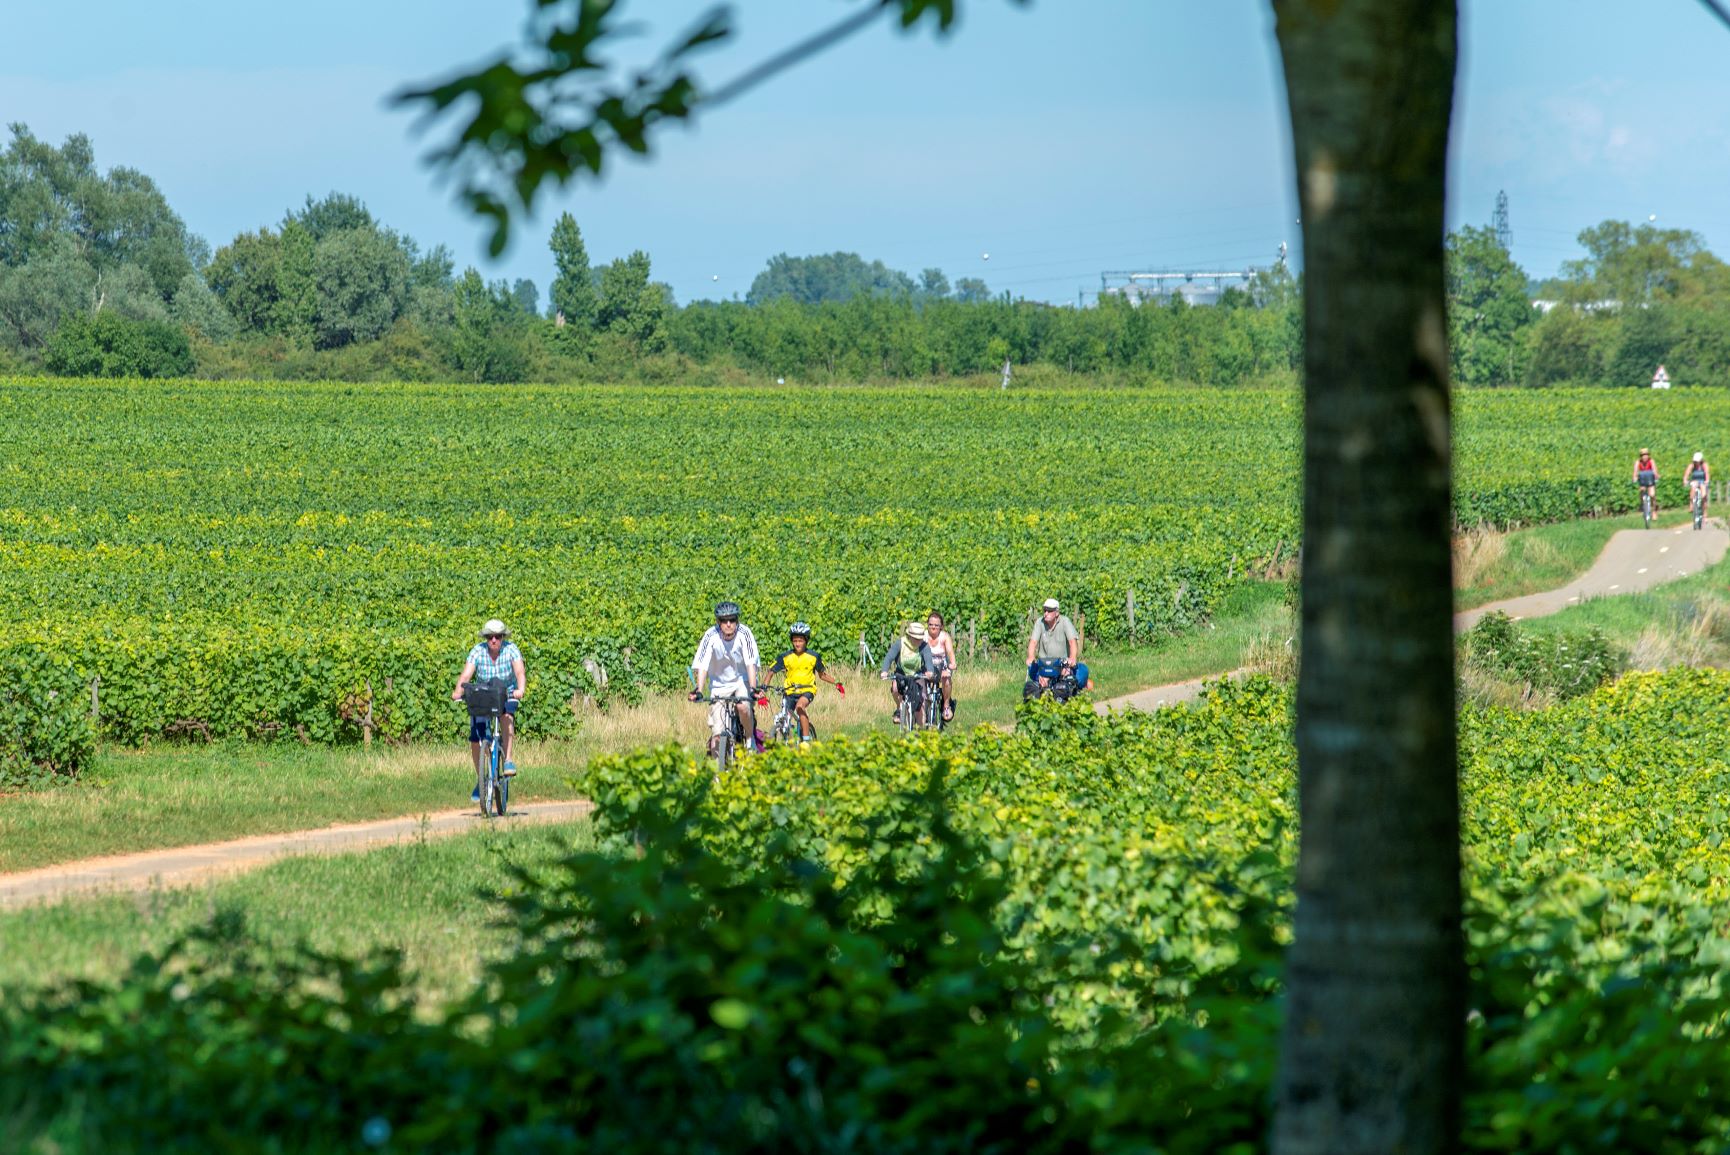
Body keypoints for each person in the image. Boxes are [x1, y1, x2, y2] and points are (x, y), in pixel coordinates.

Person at [449, 618, 526, 802]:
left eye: (497, 637)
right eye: (490, 637)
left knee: (507, 716)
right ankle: (482, 779)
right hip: (484, 696)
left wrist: (520, 689)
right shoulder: (478, 651)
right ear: (485, 638)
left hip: (507, 693)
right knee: (476, 738)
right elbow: (467, 674)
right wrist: (458, 691)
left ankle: (507, 759)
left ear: (502, 637)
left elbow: (519, 673)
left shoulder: (511, 650)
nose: (493, 640)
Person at [688, 600, 762, 756]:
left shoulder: (745, 633)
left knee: (743, 706)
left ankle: (750, 740)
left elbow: (750, 664)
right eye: (724, 621)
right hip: (719, 685)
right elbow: (703, 664)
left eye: (732, 620)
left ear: (737, 620)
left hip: (742, 680)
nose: (728, 624)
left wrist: (753, 689)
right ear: (718, 622)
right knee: (716, 736)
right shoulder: (710, 635)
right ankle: (718, 775)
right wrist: (699, 690)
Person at [767, 621, 844, 742]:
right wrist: (764, 687)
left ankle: (806, 740)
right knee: (784, 716)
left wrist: (836, 683)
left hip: (807, 690)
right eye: (795, 641)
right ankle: (786, 739)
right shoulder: (785, 656)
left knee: (800, 707)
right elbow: (771, 672)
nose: (797, 644)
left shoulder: (813, 656)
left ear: (806, 641)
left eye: (800, 641)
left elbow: (822, 675)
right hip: (790, 691)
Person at [1026, 598, 1091, 695]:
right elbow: (1033, 642)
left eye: (1049, 611)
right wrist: (1031, 656)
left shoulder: (1065, 622)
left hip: (1062, 664)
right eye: (1045, 610)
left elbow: (1072, 642)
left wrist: (1072, 658)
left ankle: (1082, 685)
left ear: (1056, 612)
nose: (1046, 613)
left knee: (1080, 673)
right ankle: (1044, 686)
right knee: (1032, 671)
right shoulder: (1040, 623)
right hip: (1045, 665)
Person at [879, 620, 936, 720]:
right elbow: (889, 657)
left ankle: (921, 732)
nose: (918, 641)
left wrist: (930, 671)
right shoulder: (900, 643)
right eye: (916, 639)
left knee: (921, 703)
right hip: (901, 674)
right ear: (909, 636)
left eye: (920, 639)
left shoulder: (924, 646)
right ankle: (899, 708)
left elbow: (928, 660)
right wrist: (884, 671)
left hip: (918, 675)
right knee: (895, 689)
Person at [925, 610, 958, 721]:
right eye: (930, 624)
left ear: (941, 627)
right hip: (926, 667)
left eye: (936, 625)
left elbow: (950, 652)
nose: (933, 627)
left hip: (941, 667)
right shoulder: (923, 636)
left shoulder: (944, 637)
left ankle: (946, 705)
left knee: (946, 678)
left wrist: (952, 664)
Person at [1633, 448, 1659, 513]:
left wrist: (1656, 476)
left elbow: (1654, 470)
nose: (1644, 457)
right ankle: (1642, 504)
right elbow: (1635, 471)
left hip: (1650, 479)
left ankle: (1654, 510)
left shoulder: (1651, 461)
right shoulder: (1638, 462)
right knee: (1642, 490)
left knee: (1652, 494)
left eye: (1646, 455)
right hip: (1642, 479)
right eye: (1643, 455)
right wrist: (1634, 477)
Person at [1688, 451, 1711, 520]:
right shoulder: (1691, 466)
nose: (1696, 462)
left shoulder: (1704, 465)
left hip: (1702, 481)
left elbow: (1707, 473)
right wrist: (1685, 480)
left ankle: (1705, 513)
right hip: (1695, 481)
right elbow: (1687, 473)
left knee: (1704, 496)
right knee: (1693, 488)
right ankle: (1691, 504)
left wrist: (1707, 480)